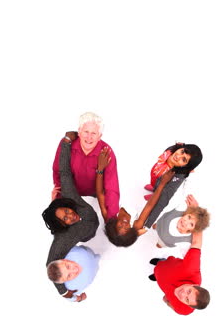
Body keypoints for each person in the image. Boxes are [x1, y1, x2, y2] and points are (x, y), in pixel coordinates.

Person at [43, 132, 99, 297]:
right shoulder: (64, 239)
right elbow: (49, 265)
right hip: (87, 235)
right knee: (87, 238)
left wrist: (66, 141)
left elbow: (64, 172)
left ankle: (55, 203)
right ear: (63, 225)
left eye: (67, 211)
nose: (71, 216)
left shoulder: (70, 197)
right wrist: (65, 293)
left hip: (93, 216)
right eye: (65, 219)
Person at [51, 113, 119, 219]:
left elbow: (112, 188)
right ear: (79, 132)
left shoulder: (107, 152)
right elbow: (58, 171)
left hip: (96, 194)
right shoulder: (66, 144)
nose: (89, 137)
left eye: (94, 133)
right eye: (86, 132)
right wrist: (59, 198)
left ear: (100, 136)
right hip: (71, 192)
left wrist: (112, 218)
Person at [104, 167, 186, 247]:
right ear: (130, 231)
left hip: (123, 190)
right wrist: (162, 183)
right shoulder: (136, 225)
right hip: (136, 198)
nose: (124, 224)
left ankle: (155, 188)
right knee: (161, 191)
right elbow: (149, 206)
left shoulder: (110, 214)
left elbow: (103, 194)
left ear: (114, 224)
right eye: (126, 229)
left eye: (119, 226)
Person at [149, 230, 210, 315]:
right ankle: (160, 261)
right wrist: (197, 223)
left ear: (188, 305)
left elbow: (173, 306)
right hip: (166, 265)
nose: (182, 294)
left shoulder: (184, 310)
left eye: (187, 300)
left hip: (162, 280)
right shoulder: (191, 269)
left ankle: (156, 275)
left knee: (158, 274)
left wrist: (167, 300)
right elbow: (196, 243)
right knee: (160, 264)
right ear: (194, 285)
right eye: (189, 291)